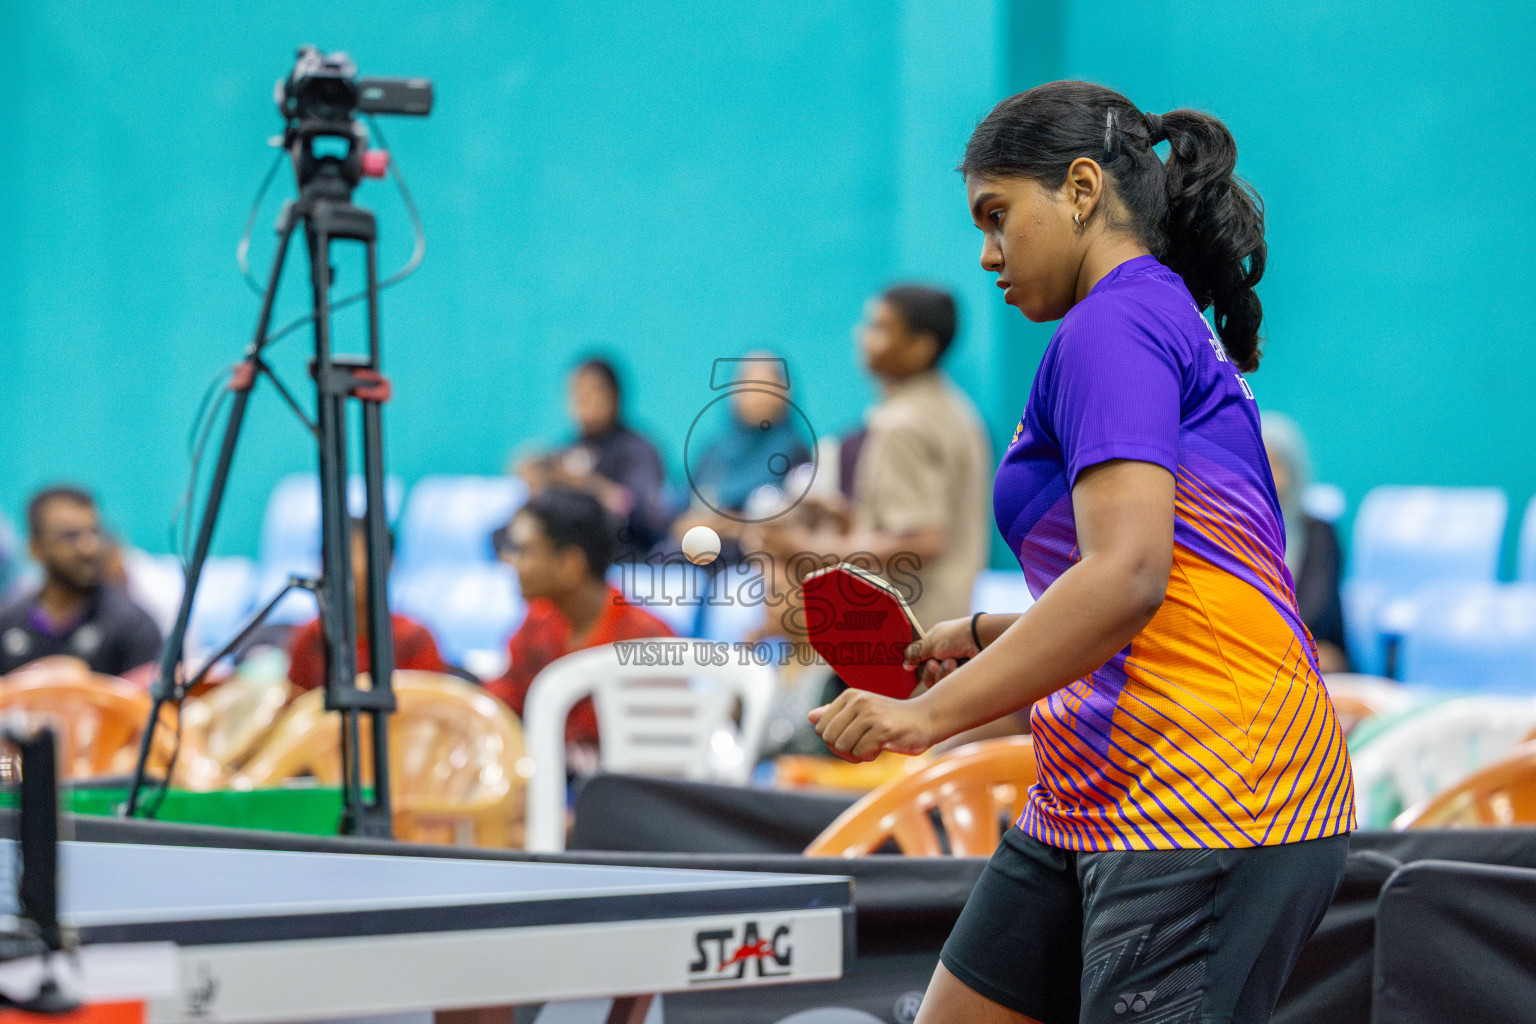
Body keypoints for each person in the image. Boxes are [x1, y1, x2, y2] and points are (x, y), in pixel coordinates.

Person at [810, 82, 1354, 1024]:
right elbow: (1179, 584)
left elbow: (1129, 577)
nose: (985, 254)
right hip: (1090, 791)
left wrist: (927, 717)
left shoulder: (1117, 322)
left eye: (996, 216)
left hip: (1209, 796)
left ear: (1082, 189)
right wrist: (987, 633)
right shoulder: (1139, 320)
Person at [756, 285, 992, 631]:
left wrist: (811, 549)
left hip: (906, 637)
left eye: (881, 328)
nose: (862, 336)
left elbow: (924, 540)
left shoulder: (905, 424)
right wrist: (850, 518)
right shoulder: (957, 411)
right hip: (945, 626)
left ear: (920, 347)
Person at [488, 488, 673, 770]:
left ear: (569, 565)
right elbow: (504, 704)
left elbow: (663, 758)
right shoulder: (535, 625)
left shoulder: (647, 640)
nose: (510, 562)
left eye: (524, 551)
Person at [0, 486, 162, 677]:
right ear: (35, 548)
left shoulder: (133, 627)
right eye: (70, 536)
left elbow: (148, 702)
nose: (88, 547)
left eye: (94, 533)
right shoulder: (7, 623)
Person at [517, 357, 669, 557]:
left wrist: (577, 482)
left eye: (592, 391)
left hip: (624, 557)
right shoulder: (565, 449)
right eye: (577, 392)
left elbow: (637, 511)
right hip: (570, 556)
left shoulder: (638, 450)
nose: (583, 400)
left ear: (614, 395)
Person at [672, 352, 810, 560]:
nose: (759, 394)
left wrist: (729, 526)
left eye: (768, 384)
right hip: (695, 563)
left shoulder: (795, 453)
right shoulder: (713, 452)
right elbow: (684, 511)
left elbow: (796, 527)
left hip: (756, 564)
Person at [287, 520, 447, 692]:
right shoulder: (309, 639)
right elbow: (296, 706)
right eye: (344, 556)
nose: (357, 566)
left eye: (365, 554)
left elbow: (427, 707)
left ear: (389, 563)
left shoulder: (414, 639)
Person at [1262, 412, 1348, 672]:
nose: (1263, 476)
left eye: (1273, 465)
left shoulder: (1318, 531)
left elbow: (1317, 610)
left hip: (1310, 645)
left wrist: (1268, 638)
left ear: (1293, 470)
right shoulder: (1235, 531)